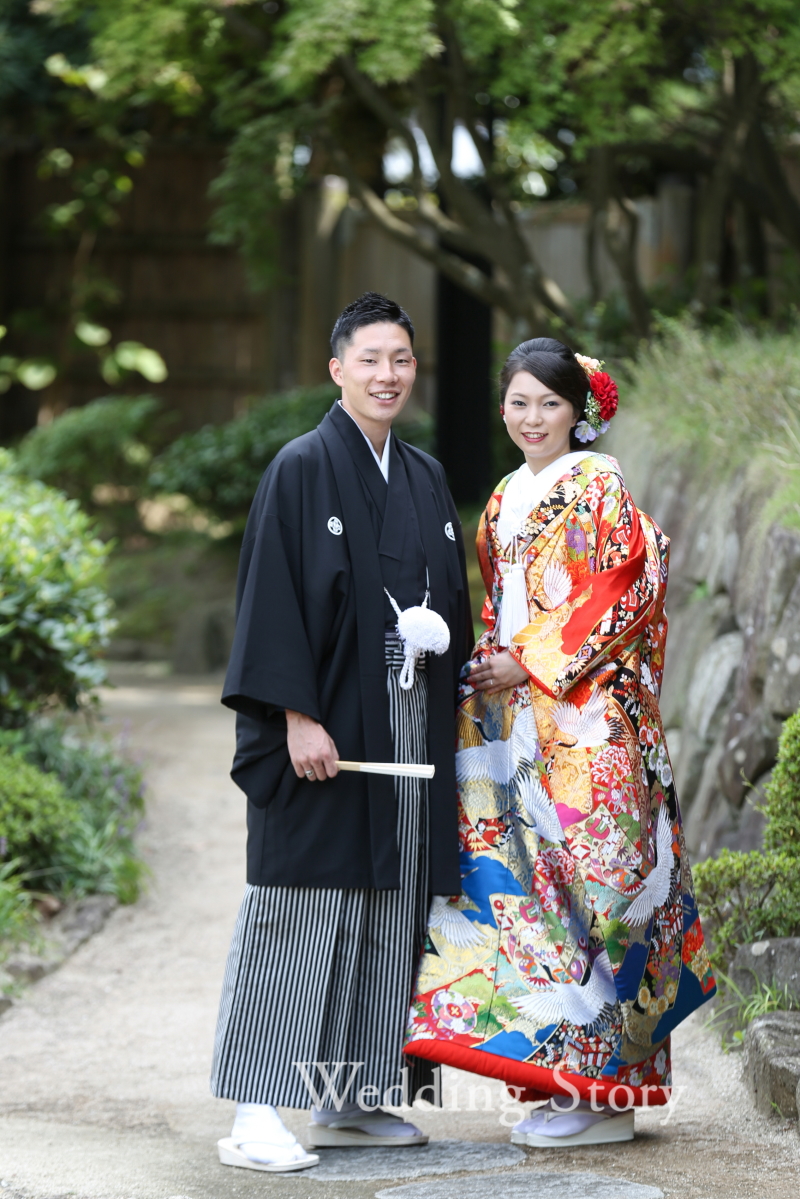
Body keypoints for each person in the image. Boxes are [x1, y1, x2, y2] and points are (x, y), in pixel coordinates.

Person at [405, 338, 716, 1148]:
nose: (532, 417)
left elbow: (627, 586)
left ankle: (609, 1090)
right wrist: (492, 662)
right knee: (535, 895)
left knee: (602, 895)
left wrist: (531, 659)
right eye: (519, 402)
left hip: (592, 723)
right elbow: (501, 596)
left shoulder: (600, 485)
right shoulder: (507, 494)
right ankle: (571, 1074)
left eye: (550, 402)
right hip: (522, 718)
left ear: (581, 412)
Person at [211, 292, 471, 1173]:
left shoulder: (427, 475)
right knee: (302, 907)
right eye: (370, 358)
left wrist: (443, 638)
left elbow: (447, 601)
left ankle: (354, 1094)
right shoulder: (301, 467)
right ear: (337, 369)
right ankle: (255, 1108)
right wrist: (295, 715)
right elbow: (271, 601)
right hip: (326, 724)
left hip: (408, 720)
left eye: (400, 359)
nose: (387, 374)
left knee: (392, 908)